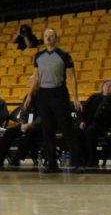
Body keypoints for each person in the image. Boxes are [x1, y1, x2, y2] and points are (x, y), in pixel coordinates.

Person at [27, 29, 85, 172]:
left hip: (59, 93)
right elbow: (36, 77)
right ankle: (52, 162)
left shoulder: (64, 55)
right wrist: (29, 95)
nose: (48, 38)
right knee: (47, 130)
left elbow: (72, 77)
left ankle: (77, 162)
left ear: (56, 39)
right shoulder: (38, 56)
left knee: (67, 129)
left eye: (51, 36)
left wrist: (76, 98)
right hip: (43, 94)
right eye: (46, 36)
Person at [79, 79, 111, 167]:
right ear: (102, 87)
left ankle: (92, 159)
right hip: (90, 122)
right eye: (106, 85)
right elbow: (84, 111)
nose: (108, 87)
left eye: (110, 86)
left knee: (90, 131)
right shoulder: (94, 97)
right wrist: (82, 121)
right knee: (78, 130)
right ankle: (81, 158)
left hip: (105, 125)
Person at [0, 97, 42, 167]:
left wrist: (30, 125)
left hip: (39, 127)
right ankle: (0, 158)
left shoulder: (43, 96)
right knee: (9, 132)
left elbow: (42, 117)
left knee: (30, 132)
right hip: (26, 124)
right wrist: (22, 124)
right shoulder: (29, 96)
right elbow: (22, 111)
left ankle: (17, 158)